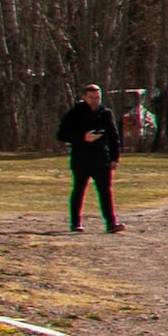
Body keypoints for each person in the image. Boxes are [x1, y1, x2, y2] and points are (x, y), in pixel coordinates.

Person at [56, 88, 122, 235]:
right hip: (81, 158)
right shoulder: (75, 113)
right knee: (79, 190)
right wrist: (82, 137)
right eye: (92, 97)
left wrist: (114, 158)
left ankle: (111, 223)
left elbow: (113, 137)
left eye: (97, 97)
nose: (95, 101)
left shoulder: (105, 113)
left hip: (101, 158)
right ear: (84, 97)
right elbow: (61, 134)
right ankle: (75, 222)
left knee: (105, 191)